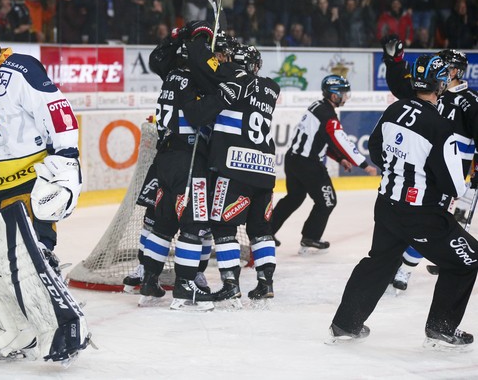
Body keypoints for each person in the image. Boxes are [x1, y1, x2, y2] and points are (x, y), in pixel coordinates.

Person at [0, 28, 90, 363]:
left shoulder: (21, 70)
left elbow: (57, 112)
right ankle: (9, 323)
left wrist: (66, 157)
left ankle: (65, 325)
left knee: (30, 261)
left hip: (26, 183)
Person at [329, 54, 477, 351]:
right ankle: (441, 328)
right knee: (467, 260)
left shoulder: (395, 109)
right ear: (440, 84)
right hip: (423, 214)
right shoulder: (440, 126)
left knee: (380, 261)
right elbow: (453, 184)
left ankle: (346, 322)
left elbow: (375, 149)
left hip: (387, 205)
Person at [138, 24, 248, 311]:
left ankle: (149, 279)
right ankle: (185, 286)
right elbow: (212, 89)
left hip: (165, 158)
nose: (223, 60)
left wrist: (180, 35)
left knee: (164, 221)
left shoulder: (172, 73)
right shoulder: (200, 77)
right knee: (195, 223)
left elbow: (157, 58)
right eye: (221, 55)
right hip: (189, 157)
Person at [382, 36, 478, 290]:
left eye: (447, 67)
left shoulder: (470, 101)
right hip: (420, 170)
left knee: (431, 222)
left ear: (457, 71)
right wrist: (394, 62)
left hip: (448, 174)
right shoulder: (430, 90)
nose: (443, 71)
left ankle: (404, 270)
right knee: (412, 216)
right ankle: (394, 262)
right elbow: (401, 88)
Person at [271, 75, 377, 254]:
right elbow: (341, 141)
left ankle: (265, 232)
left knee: (294, 198)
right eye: (344, 93)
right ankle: (310, 237)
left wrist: (339, 159)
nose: (346, 97)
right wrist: (364, 164)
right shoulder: (328, 116)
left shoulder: (316, 107)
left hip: (294, 160)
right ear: (334, 95)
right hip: (309, 165)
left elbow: (319, 139)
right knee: (327, 201)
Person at [207, 44, 280, 302]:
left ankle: (230, 284)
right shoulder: (272, 88)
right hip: (263, 169)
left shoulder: (227, 77)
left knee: (222, 226)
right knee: (261, 229)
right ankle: (265, 283)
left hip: (233, 166)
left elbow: (212, 70)